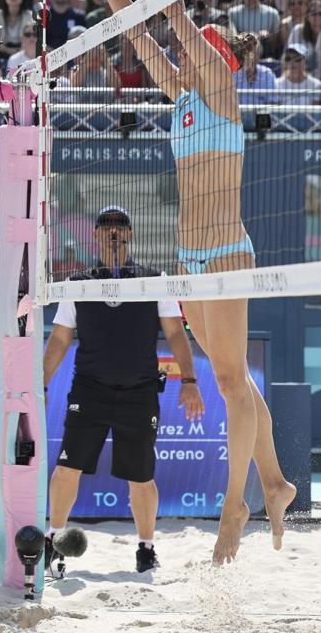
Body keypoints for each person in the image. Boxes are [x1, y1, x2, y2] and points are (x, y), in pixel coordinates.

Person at [92, 0, 296, 564]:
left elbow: (173, 17)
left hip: (228, 251)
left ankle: (233, 506)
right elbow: (139, 29)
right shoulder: (180, 96)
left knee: (234, 382)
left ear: (218, 59)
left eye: (200, 48)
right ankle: (275, 481)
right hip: (189, 259)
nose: (186, 52)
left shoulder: (222, 90)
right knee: (232, 379)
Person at [44, 204, 204, 574]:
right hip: (90, 389)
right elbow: (60, 339)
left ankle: (146, 549)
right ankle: (52, 538)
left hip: (138, 390)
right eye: (106, 226)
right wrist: (41, 383)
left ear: (129, 233)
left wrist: (190, 381)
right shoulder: (79, 283)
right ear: (96, 234)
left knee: (141, 476)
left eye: (120, 226)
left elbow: (176, 332)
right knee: (68, 467)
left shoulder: (154, 279)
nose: (113, 231)